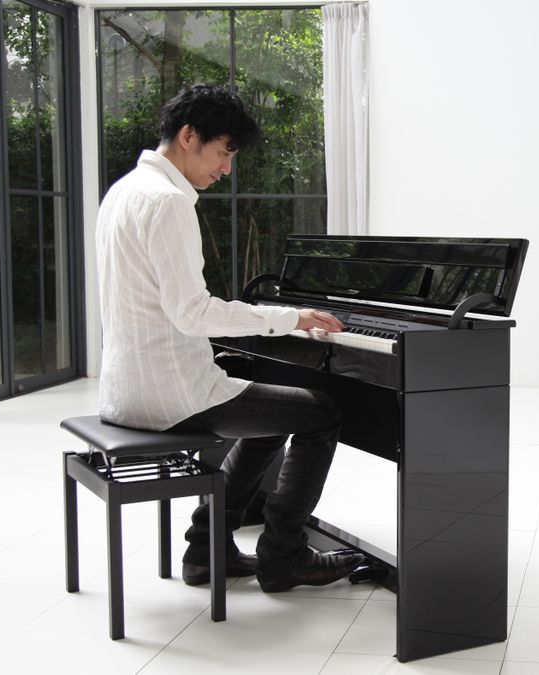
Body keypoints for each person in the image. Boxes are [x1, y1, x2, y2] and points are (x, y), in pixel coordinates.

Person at [95, 84, 365, 592]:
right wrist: (289, 318)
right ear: (188, 135)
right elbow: (192, 313)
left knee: (263, 412)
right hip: (170, 395)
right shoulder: (169, 201)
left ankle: (207, 550)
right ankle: (284, 557)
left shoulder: (122, 192)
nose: (225, 169)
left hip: (123, 389)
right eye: (224, 153)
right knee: (321, 412)